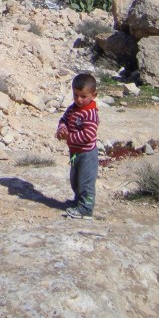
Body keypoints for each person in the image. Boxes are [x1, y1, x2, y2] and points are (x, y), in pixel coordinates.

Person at [56, 72, 99, 219]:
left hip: (87, 154)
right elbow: (64, 120)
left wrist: (68, 137)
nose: (79, 99)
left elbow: (88, 135)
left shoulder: (90, 113)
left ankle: (86, 209)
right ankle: (78, 202)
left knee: (86, 181)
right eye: (75, 95)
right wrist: (62, 129)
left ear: (93, 95)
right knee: (75, 180)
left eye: (83, 96)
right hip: (75, 152)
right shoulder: (72, 108)